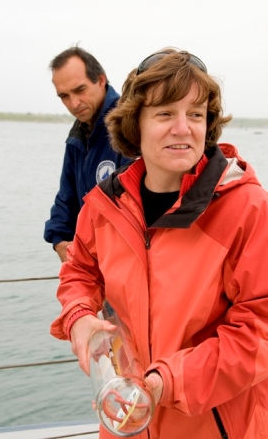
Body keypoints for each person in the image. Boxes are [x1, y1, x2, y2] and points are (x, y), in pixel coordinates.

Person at [50, 47, 268, 438]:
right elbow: (79, 270)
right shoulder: (103, 206)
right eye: (165, 113)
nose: (183, 128)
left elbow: (261, 328)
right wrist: (79, 316)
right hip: (127, 418)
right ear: (135, 123)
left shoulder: (248, 209)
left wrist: (169, 381)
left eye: (196, 114)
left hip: (216, 425)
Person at [44, 46, 130, 262]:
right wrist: (60, 241)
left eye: (80, 90)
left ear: (101, 80)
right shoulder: (77, 135)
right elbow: (66, 197)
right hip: (90, 265)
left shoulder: (128, 126)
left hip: (124, 266)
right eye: (64, 96)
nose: (74, 103)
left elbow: (135, 210)